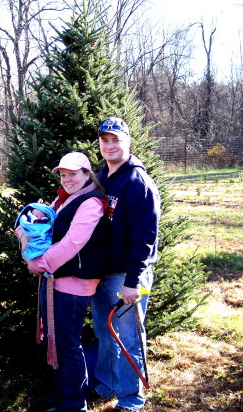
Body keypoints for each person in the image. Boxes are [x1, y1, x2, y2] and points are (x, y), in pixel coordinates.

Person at [20, 151, 108, 412]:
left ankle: (73, 405)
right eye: (63, 175)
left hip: (74, 285)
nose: (67, 179)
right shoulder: (64, 200)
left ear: (86, 174)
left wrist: (39, 264)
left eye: (73, 174)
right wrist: (24, 230)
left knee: (68, 346)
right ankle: (60, 400)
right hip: (54, 282)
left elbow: (72, 243)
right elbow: (41, 226)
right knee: (55, 343)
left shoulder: (91, 203)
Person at [90, 117, 161, 412]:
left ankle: (131, 400)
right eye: (104, 141)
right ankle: (106, 386)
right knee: (104, 334)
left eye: (116, 140)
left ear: (128, 142)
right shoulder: (101, 178)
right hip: (100, 274)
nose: (109, 146)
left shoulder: (138, 182)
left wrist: (133, 280)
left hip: (126, 277)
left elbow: (145, 236)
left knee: (129, 337)